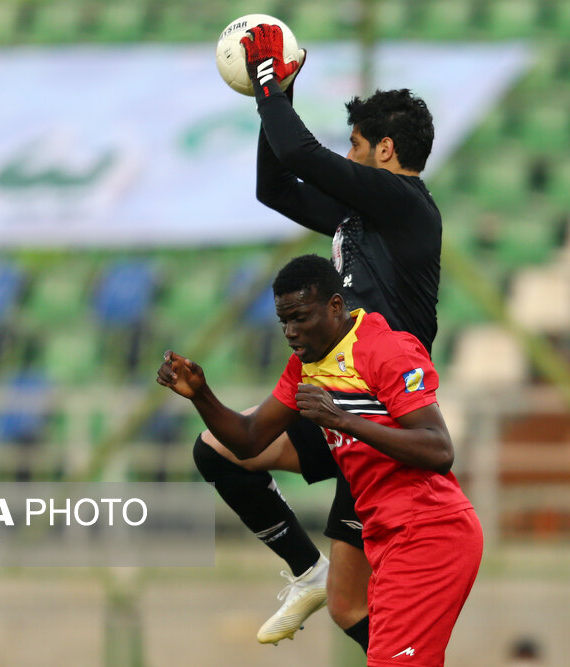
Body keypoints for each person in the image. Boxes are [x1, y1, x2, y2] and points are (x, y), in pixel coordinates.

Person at [192, 23, 442, 649]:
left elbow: (302, 156)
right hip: (337, 402)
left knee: (353, 605)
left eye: (356, 146)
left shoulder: (404, 204)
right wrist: (270, 101)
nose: (348, 159)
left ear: (386, 150)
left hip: (381, 415)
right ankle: (305, 569)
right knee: (219, 450)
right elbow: (273, 185)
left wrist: (273, 83)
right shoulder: (361, 216)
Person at [158, 255, 480, 667]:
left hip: (429, 533)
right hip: (386, 534)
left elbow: (439, 449)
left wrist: (340, 419)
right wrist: (201, 394)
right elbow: (249, 440)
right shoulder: (306, 365)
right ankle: (307, 572)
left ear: (334, 305)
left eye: (300, 318)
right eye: (283, 322)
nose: (291, 333)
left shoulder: (386, 349)